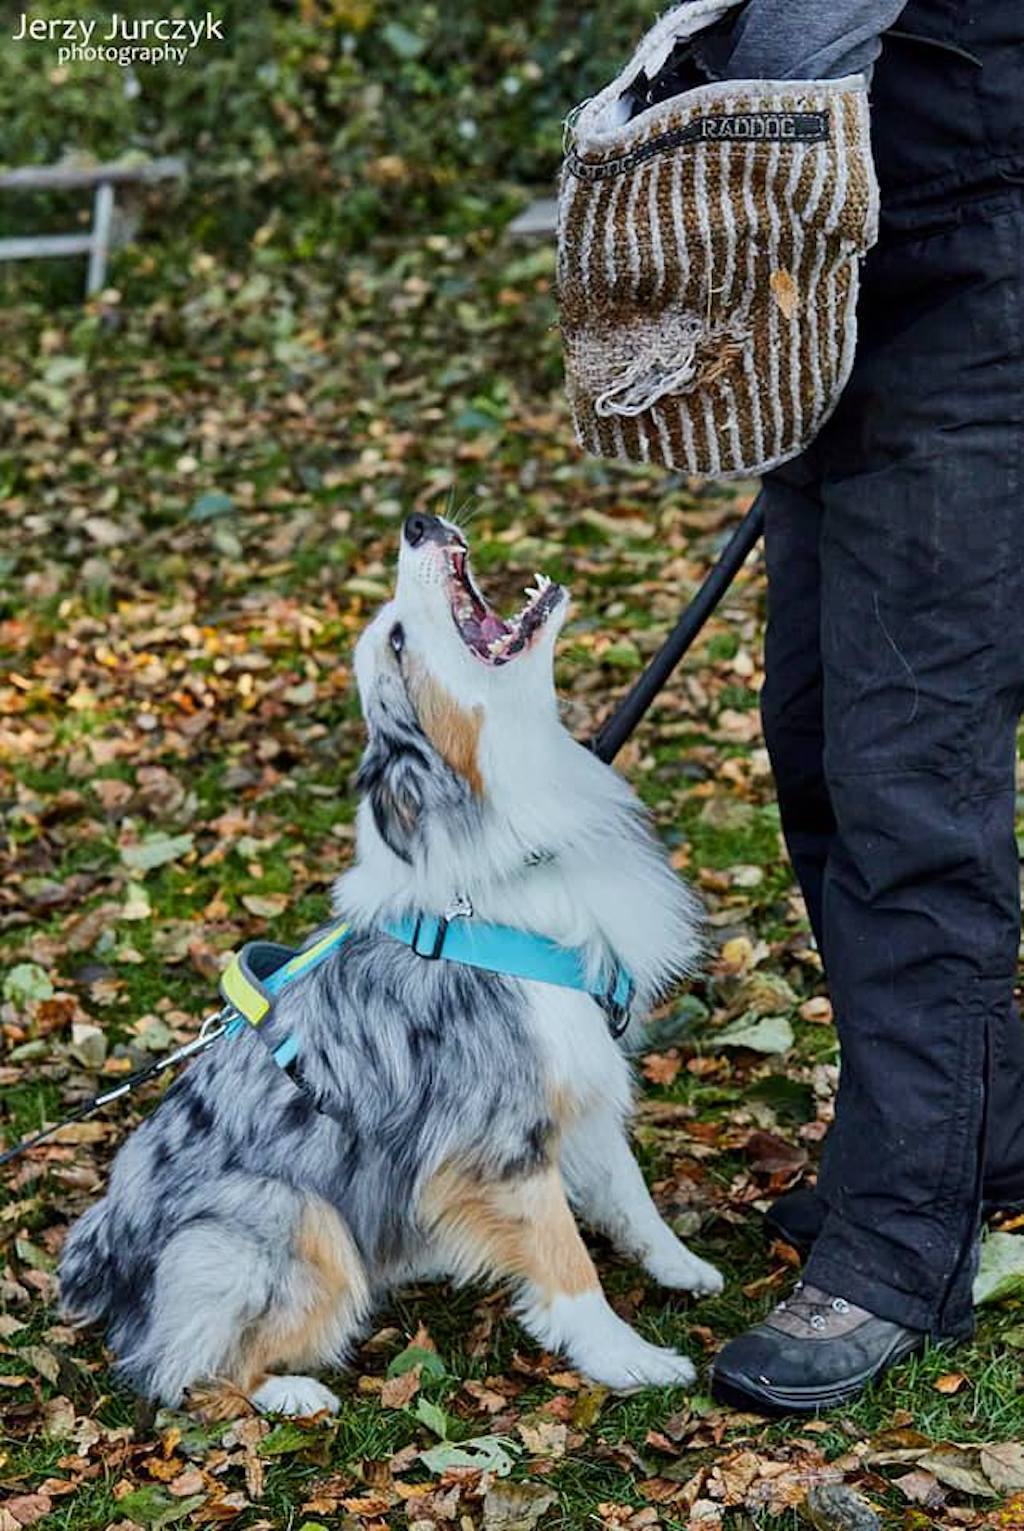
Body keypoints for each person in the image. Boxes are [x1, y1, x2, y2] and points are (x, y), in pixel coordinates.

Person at [665, 0, 1024, 1413]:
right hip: (835, 264)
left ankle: (898, 1250)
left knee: (907, 782)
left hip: (974, 258)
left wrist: (728, 151)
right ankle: (971, 1135)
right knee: (817, 744)